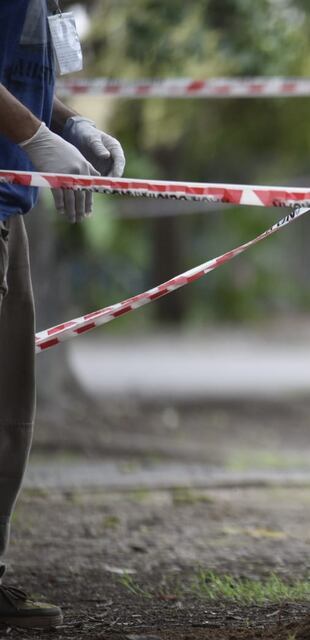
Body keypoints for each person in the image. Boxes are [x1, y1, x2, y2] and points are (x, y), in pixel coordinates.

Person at [0, 0, 125, 629]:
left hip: (8, 208)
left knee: (9, 411)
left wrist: (72, 126)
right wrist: (34, 137)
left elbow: (17, 76)